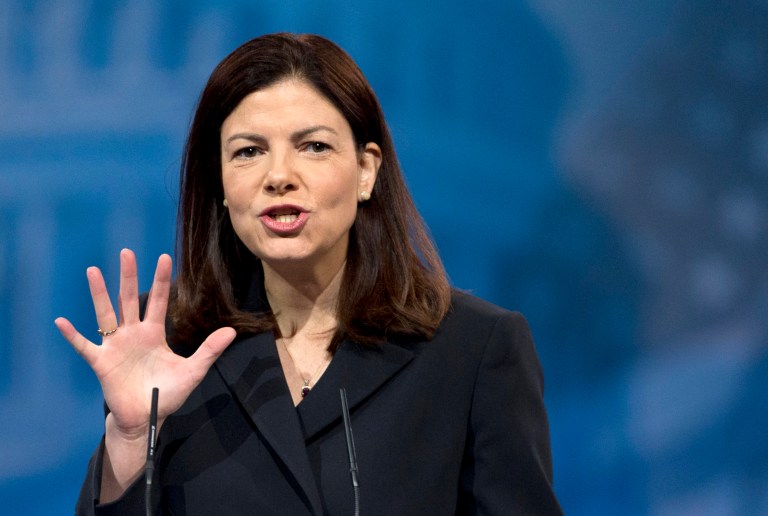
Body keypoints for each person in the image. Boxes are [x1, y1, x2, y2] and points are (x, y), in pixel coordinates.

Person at [55, 32, 563, 515]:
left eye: (313, 146)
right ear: (221, 182)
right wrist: (127, 440)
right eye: (249, 152)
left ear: (366, 170)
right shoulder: (169, 344)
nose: (279, 176)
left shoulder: (472, 350)